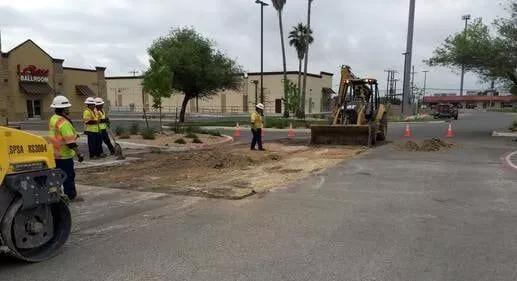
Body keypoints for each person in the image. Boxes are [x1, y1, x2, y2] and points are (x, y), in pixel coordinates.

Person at [48, 95, 84, 201]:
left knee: (56, 177)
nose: (69, 109)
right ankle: (71, 196)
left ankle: (57, 196)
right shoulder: (63, 122)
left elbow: (58, 135)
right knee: (68, 176)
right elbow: (70, 142)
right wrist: (79, 153)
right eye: (67, 107)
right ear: (64, 109)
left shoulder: (53, 119)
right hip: (64, 155)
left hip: (54, 154)